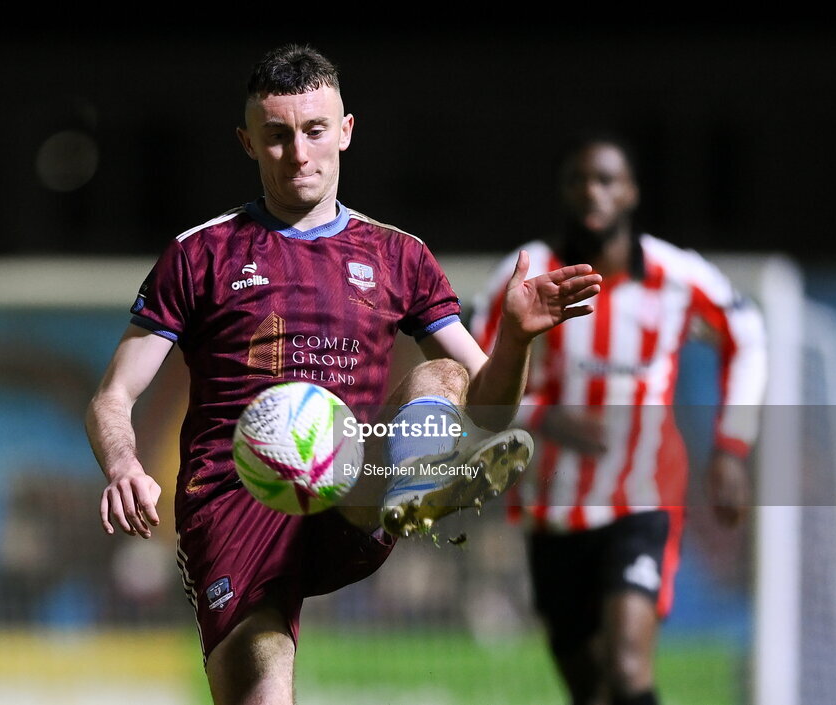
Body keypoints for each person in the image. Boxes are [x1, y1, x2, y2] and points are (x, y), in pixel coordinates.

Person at [84, 44, 601, 705]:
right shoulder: (198, 255)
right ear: (247, 141)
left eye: (314, 130)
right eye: (276, 136)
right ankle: (424, 477)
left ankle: (413, 479)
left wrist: (518, 338)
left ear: (346, 132)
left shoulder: (400, 256)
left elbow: (494, 407)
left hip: (352, 490)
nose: (298, 153)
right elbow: (113, 395)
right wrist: (125, 464)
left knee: (441, 374)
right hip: (234, 507)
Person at [470, 132, 767, 705]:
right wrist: (543, 415)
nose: (592, 192)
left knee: (630, 669)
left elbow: (748, 336)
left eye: (606, 180)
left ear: (631, 192)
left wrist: (732, 448)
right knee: (589, 685)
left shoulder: (674, 275)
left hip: (643, 498)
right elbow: (473, 377)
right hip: (549, 503)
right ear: (562, 192)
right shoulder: (526, 273)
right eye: (579, 180)